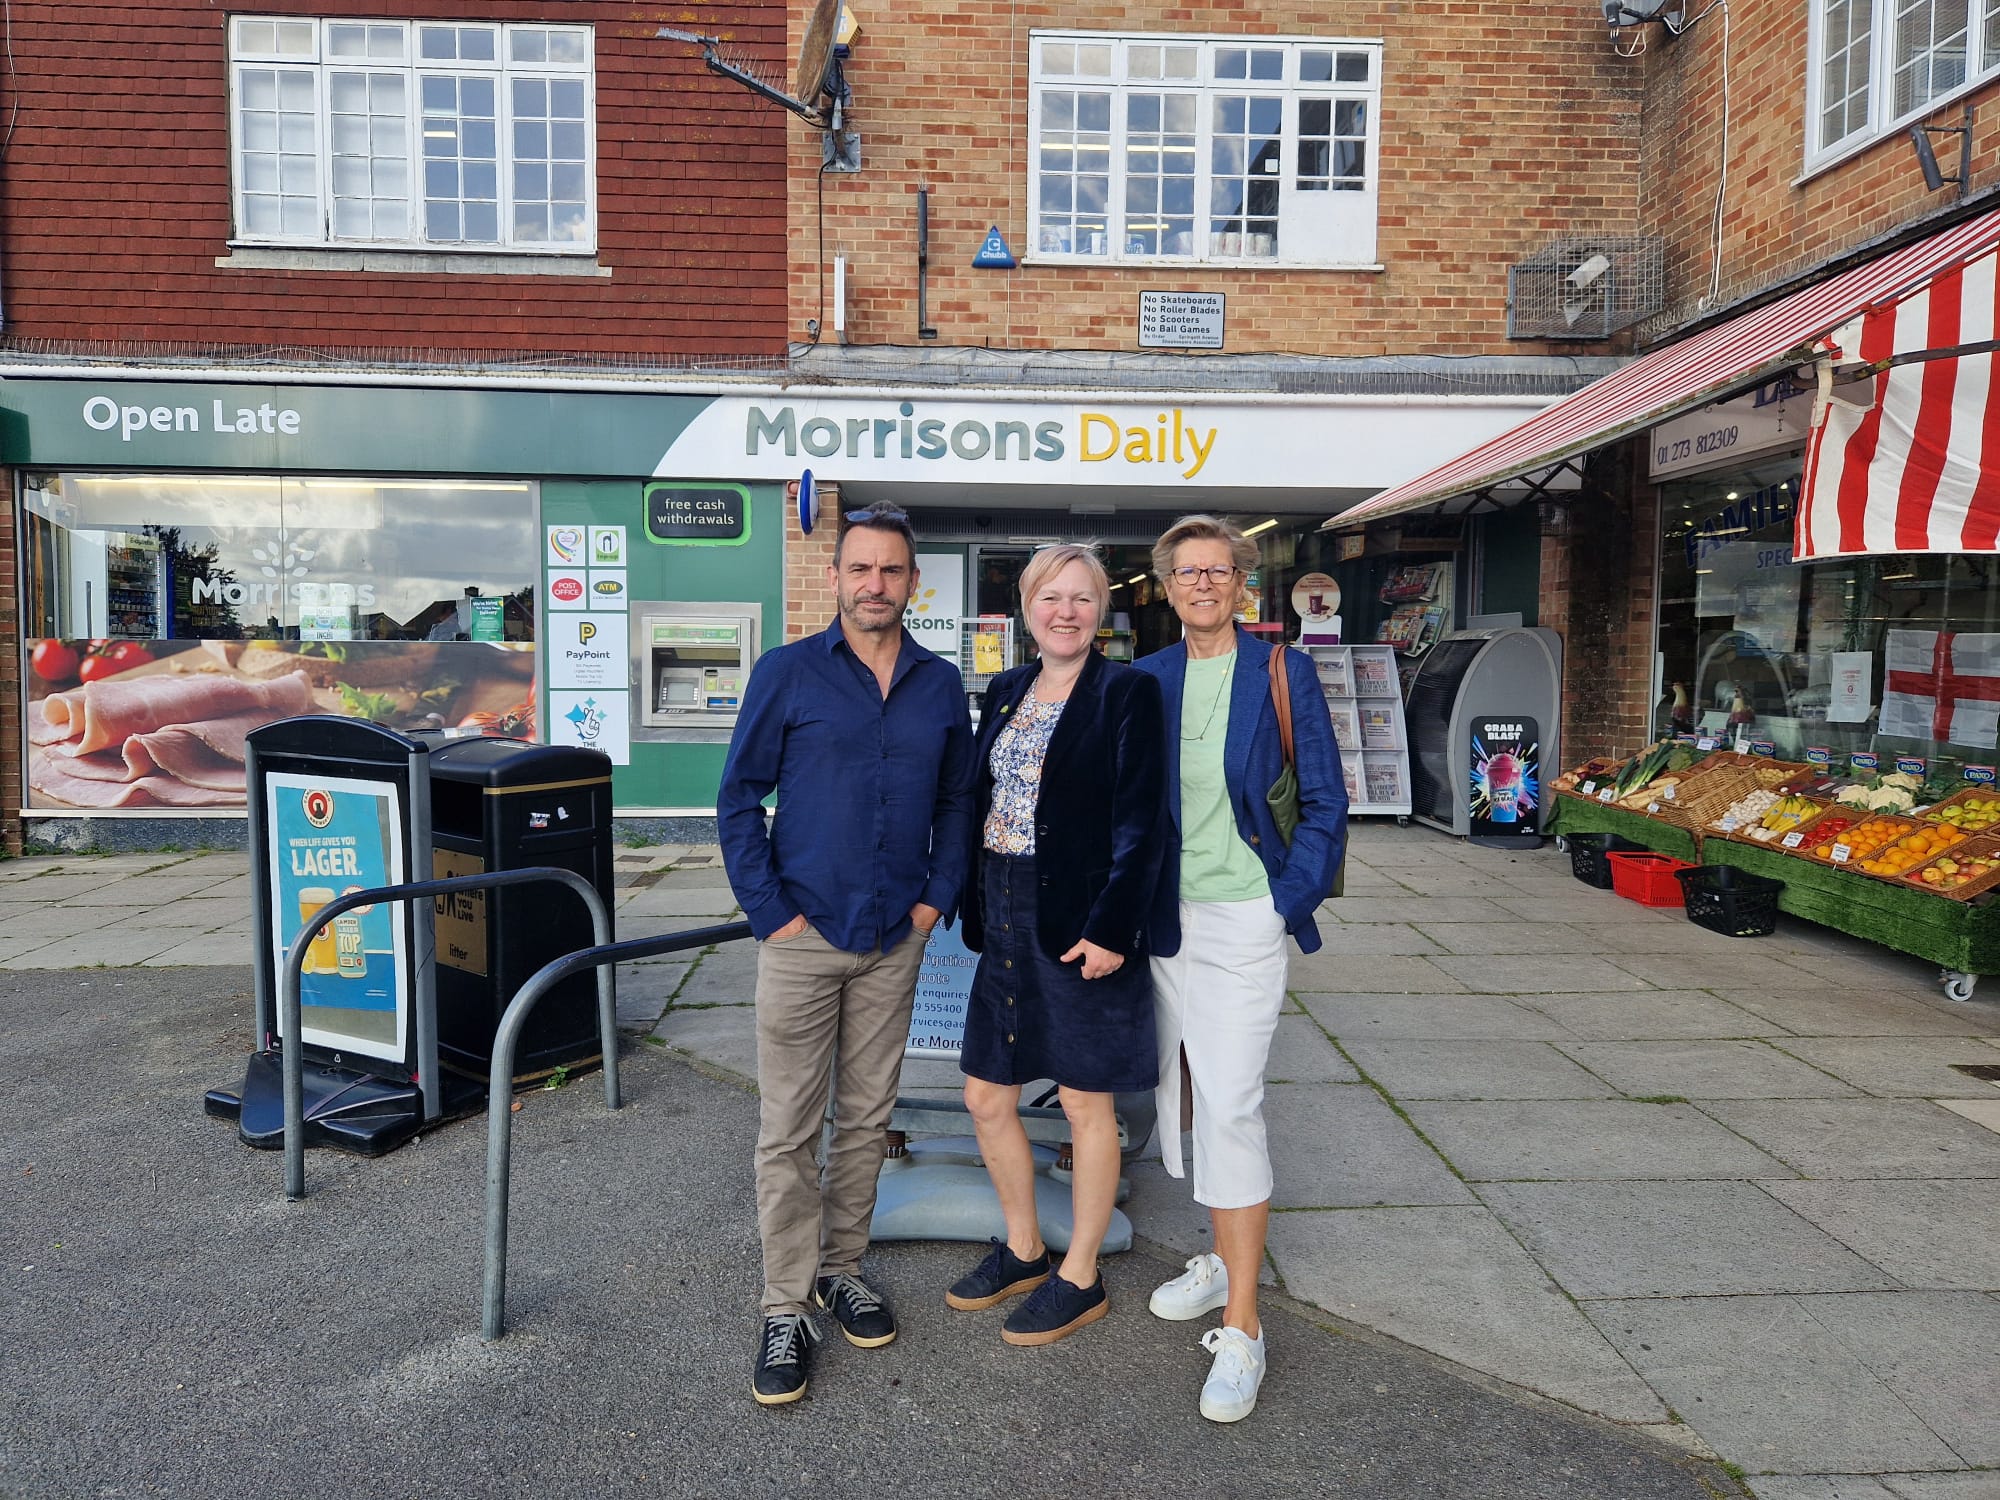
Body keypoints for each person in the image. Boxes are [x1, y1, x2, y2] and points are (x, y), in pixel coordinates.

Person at [717, 501, 975, 1406]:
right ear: (835, 577)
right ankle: (786, 1303)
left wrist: (935, 899)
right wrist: (770, 915)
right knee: (788, 1130)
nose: (875, 585)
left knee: (867, 1120)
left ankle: (842, 1268)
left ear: (913, 581)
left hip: (892, 941)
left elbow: (957, 804)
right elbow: (738, 798)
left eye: (892, 571)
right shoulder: (787, 674)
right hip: (802, 935)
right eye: (860, 569)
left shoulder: (940, 686)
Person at [1132, 514, 1347, 1424]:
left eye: (1219, 570)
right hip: (1166, 925)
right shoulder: (1147, 680)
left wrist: (1281, 900)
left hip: (1244, 916)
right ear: (1167, 587)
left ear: (1240, 583)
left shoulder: (1281, 670)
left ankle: (1246, 1326)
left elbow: (1330, 800)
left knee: (1231, 1100)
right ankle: (1222, 1255)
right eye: (1188, 573)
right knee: (1181, 1101)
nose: (1204, 585)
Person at [944, 544, 1167, 1346]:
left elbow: (1143, 827)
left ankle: (1080, 1275)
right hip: (1003, 910)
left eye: (1081, 598)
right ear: (1027, 607)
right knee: (985, 1093)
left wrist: (1112, 927)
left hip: (1080, 921)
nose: (1065, 611)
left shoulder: (1127, 692)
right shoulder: (1005, 689)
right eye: (1051, 597)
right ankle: (1024, 1248)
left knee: (1083, 1102)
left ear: (1100, 610)